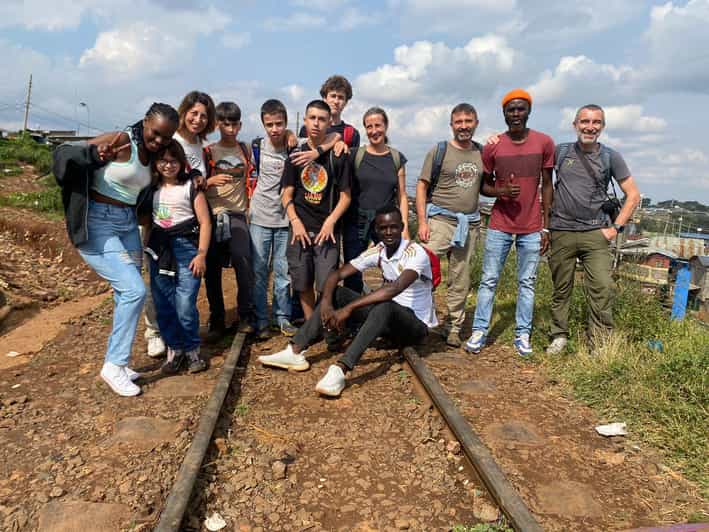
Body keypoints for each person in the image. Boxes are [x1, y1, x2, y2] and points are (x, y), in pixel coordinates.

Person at [52, 103, 179, 396]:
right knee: (135, 291)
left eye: (166, 137)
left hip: (127, 225)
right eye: (155, 132)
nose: (159, 140)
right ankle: (114, 365)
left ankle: (118, 363)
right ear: (145, 122)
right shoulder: (121, 140)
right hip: (98, 222)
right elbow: (63, 153)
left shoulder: (154, 155)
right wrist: (94, 155)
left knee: (127, 294)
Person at [258, 205, 437, 397]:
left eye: (393, 227)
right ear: (376, 230)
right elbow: (337, 274)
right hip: (387, 324)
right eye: (383, 228)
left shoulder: (415, 252)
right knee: (336, 293)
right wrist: (326, 302)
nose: (388, 232)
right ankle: (295, 350)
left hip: (414, 327)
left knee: (385, 305)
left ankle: (340, 369)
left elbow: (394, 289)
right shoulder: (379, 250)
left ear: (402, 227)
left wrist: (349, 309)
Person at [464, 89, 554, 357]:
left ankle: (522, 333)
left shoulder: (544, 143)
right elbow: (484, 186)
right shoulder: (493, 146)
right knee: (489, 280)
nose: (516, 114)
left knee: (527, 282)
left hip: (532, 226)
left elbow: (548, 186)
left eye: (520, 109)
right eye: (510, 110)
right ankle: (480, 330)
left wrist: (546, 226)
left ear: (529, 111)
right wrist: (501, 191)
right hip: (500, 223)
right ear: (504, 113)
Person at [546, 104, 640, 354]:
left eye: (596, 122)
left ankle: (599, 343)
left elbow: (633, 195)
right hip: (561, 230)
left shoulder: (610, 157)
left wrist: (615, 229)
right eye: (585, 121)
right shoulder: (560, 152)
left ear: (602, 126)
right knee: (561, 288)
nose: (590, 127)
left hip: (596, 233)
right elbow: (535, 172)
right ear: (575, 125)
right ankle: (559, 336)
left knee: (602, 288)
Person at [144, 91, 215, 356]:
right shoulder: (168, 137)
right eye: (193, 113)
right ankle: (158, 334)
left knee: (184, 299)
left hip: (187, 231)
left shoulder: (199, 146)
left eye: (204, 116)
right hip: (160, 234)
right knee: (160, 293)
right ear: (183, 112)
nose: (198, 119)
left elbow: (198, 186)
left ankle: (188, 345)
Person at [415, 103, 484, 347]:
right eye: (459, 122)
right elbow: (422, 185)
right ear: (452, 125)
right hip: (440, 221)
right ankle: (417, 319)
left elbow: (486, 185)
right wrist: (422, 222)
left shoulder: (482, 152)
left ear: (476, 123)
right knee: (421, 269)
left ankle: (453, 326)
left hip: (469, 224)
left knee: (460, 277)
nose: (463, 126)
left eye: (468, 121)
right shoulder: (440, 150)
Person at [281, 99, 351, 320]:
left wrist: (331, 221)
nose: (316, 123)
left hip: (327, 232)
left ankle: (324, 323)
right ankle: (312, 326)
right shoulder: (295, 155)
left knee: (326, 284)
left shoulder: (337, 155)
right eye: (312, 118)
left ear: (329, 123)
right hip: (299, 230)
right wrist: (295, 222)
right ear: (305, 120)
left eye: (322, 119)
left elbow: (346, 196)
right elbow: (286, 194)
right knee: (302, 283)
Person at [203, 101, 257, 339]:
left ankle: (245, 315)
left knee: (243, 260)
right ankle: (217, 319)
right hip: (213, 214)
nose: (230, 129)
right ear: (217, 125)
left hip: (237, 214)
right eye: (225, 124)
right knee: (212, 268)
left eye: (234, 125)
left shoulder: (245, 150)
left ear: (240, 125)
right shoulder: (208, 152)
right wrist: (209, 182)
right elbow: (194, 181)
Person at [343, 106, 409, 294]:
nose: (374, 131)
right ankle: (353, 308)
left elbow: (402, 195)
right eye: (369, 126)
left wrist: (404, 227)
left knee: (393, 268)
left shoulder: (396, 158)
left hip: (386, 222)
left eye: (378, 125)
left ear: (386, 126)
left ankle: (388, 307)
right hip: (356, 221)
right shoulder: (355, 155)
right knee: (353, 270)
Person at [298, 75, 360, 149]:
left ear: (346, 102)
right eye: (333, 96)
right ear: (324, 98)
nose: (336, 101)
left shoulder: (352, 134)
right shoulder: (307, 128)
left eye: (340, 97)